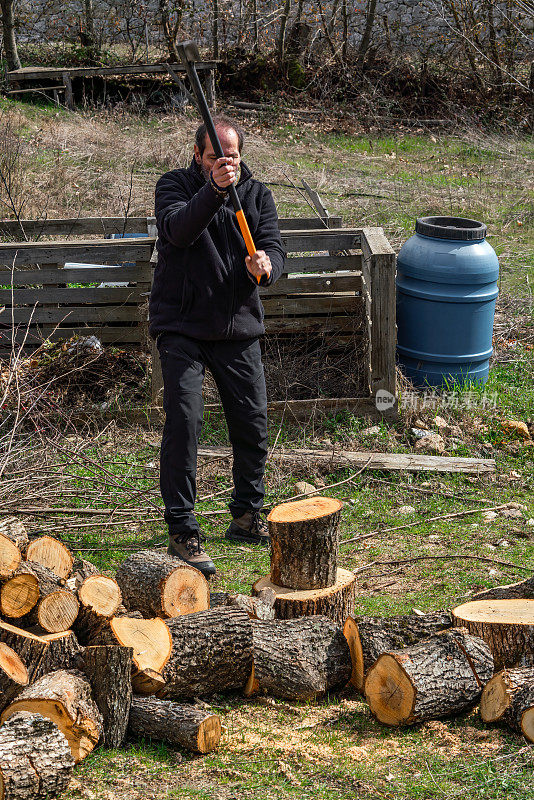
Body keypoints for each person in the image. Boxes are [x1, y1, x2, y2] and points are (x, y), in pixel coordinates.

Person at [149, 116, 285, 578]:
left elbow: (275, 250)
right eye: (215, 157)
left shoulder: (258, 195)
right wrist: (215, 190)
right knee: (185, 420)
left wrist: (266, 266)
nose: (225, 164)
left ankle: (247, 516)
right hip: (182, 326)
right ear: (197, 156)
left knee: (252, 423)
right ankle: (183, 529)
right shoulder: (174, 186)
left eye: (232, 157)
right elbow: (179, 230)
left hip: (237, 326)